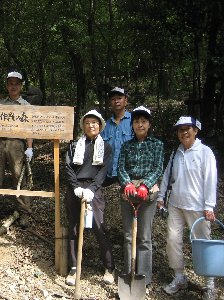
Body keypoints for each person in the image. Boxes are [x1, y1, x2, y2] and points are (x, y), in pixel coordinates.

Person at [158, 117, 217, 300]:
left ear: (196, 131)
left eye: (188, 129)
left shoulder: (205, 152)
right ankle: (179, 277)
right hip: (175, 204)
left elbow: (210, 179)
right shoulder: (177, 153)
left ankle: (209, 284)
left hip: (198, 207)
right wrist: (161, 197)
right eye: (180, 130)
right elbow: (167, 174)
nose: (184, 132)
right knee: (173, 240)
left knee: (203, 244)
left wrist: (209, 206)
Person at [64, 110, 116, 286]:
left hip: (94, 190)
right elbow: (68, 167)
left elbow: (103, 171)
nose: (91, 125)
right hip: (74, 189)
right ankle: (73, 268)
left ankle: (109, 267)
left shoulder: (106, 147)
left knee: (99, 227)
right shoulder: (74, 145)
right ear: (83, 126)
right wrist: (76, 187)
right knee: (73, 228)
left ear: (100, 126)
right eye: (87, 123)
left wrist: (92, 189)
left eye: (94, 122)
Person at [117, 106, 163, 286]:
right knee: (128, 235)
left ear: (149, 124)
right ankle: (129, 273)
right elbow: (121, 167)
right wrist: (127, 183)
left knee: (144, 236)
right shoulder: (126, 145)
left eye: (143, 121)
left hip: (148, 193)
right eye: (136, 121)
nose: (140, 124)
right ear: (132, 125)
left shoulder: (157, 144)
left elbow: (158, 167)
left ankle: (143, 277)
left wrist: (146, 184)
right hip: (128, 192)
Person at [0, 71, 34, 228]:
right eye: (10, 83)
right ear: (6, 85)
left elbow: (30, 128)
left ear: (21, 86)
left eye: (17, 83)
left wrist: (29, 148)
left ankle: (24, 213)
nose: (13, 86)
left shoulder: (26, 106)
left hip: (17, 143)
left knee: (19, 178)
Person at [101, 87, 132, 184]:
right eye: (113, 99)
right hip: (109, 173)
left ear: (125, 101)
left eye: (119, 98)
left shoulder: (134, 121)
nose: (116, 101)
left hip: (129, 174)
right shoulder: (106, 125)